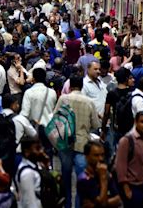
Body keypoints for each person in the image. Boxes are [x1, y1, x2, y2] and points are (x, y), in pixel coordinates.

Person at [55, 75, 100, 208]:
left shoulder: (63, 99)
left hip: (65, 144)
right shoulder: (89, 102)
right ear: (82, 85)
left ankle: (68, 204)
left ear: (69, 86)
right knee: (82, 181)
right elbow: (95, 124)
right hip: (82, 145)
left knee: (66, 179)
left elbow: (56, 118)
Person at [115, 111, 143, 208]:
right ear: (136, 122)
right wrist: (127, 190)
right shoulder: (127, 140)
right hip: (133, 188)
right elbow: (120, 167)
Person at [77, 141, 121, 207]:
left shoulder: (105, 173)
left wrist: (97, 205)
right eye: (96, 155)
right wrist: (103, 179)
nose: (101, 159)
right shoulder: (83, 179)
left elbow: (118, 199)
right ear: (86, 157)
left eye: (102, 155)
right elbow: (103, 203)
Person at [15, 136, 48, 208]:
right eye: (37, 149)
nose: (41, 152)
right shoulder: (27, 173)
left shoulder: (36, 165)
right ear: (27, 152)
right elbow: (29, 201)